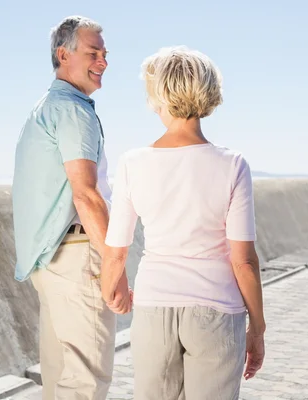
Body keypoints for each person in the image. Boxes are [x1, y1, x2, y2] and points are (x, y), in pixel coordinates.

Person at [100, 46, 266, 399]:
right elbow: (244, 262)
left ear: (158, 98)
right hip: (217, 311)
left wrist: (115, 289)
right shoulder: (233, 165)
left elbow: (116, 253)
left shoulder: (132, 163)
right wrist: (258, 327)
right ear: (209, 93)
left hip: (153, 307)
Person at [11, 16, 130, 400]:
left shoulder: (44, 108)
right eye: (93, 53)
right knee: (85, 383)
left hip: (51, 264)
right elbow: (87, 196)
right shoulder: (74, 111)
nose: (104, 62)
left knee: (60, 381)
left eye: (105, 54)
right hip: (78, 261)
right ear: (63, 55)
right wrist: (115, 267)